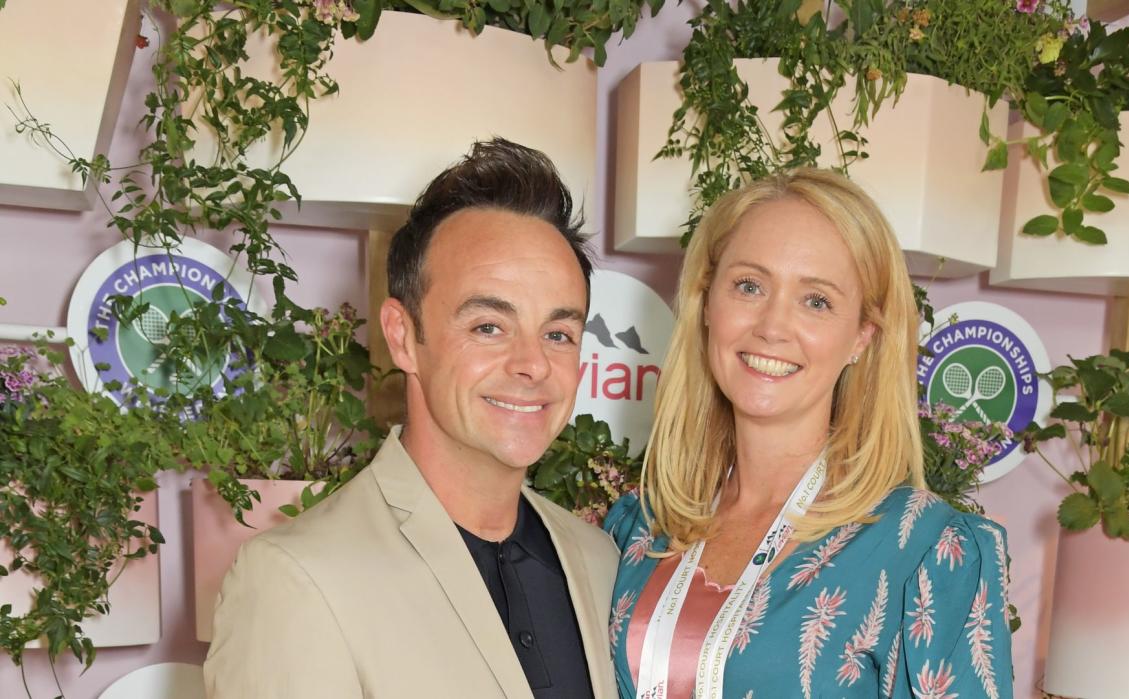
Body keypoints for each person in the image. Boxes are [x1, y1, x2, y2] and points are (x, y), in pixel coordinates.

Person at [205, 139, 619, 699]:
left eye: (558, 334)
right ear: (402, 337)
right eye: (488, 327)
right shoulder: (296, 578)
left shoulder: (599, 559)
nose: (532, 365)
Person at [605, 169, 1014, 699]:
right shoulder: (640, 525)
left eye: (816, 300)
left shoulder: (928, 551)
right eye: (749, 286)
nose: (773, 326)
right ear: (706, 303)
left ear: (862, 337)